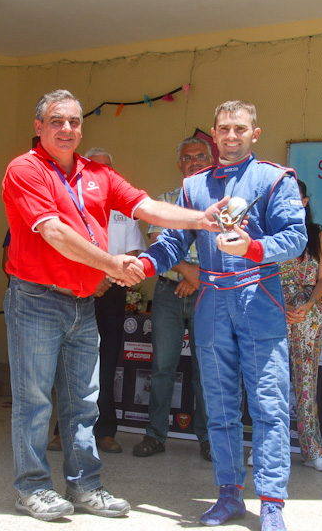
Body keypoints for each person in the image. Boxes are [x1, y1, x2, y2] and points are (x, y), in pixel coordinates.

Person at [2, 89, 224, 522]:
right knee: (35, 401)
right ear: (39, 126)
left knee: (84, 400)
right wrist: (112, 265)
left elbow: (147, 207)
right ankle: (32, 487)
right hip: (36, 299)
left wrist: (201, 219)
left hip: (83, 302)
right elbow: (54, 233)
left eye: (74, 121)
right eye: (56, 121)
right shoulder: (25, 169)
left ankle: (85, 485)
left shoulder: (97, 173)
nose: (67, 129)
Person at [139, 100, 307, 531]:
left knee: (269, 405)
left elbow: (295, 238)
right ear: (214, 134)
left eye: (240, 128)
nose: (231, 136)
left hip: (259, 296)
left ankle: (271, 503)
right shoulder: (194, 186)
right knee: (219, 405)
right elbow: (173, 243)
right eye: (224, 129)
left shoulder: (274, 179)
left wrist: (253, 247)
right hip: (212, 298)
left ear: (255, 133)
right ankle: (229, 494)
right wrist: (145, 264)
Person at [46, 147, 147, 454]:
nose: (101, 174)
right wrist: (90, 279)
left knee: (107, 362)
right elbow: (61, 247)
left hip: (111, 290)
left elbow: (133, 253)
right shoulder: (71, 203)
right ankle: (63, 431)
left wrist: (108, 278)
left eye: (107, 169)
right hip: (74, 290)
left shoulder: (124, 210)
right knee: (70, 363)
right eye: (95, 168)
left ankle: (104, 431)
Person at [132, 136, 212, 462]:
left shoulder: (221, 206)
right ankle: (155, 436)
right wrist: (189, 272)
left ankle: (209, 440)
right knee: (162, 367)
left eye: (200, 156)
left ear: (210, 162)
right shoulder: (164, 201)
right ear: (180, 165)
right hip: (168, 292)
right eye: (188, 158)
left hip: (208, 294)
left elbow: (229, 249)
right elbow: (157, 244)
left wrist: (198, 279)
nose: (194, 162)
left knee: (206, 370)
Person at [280, 179, 322, 472]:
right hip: (276, 313)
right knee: (272, 383)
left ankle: (312, 450)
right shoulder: (271, 234)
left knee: (306, 382)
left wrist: (310, 302)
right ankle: (266, 449)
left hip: (309, 315)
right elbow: (261, 279)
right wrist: (282, 306)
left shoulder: (318, 236)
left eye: (294, 197)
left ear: (304, 201)